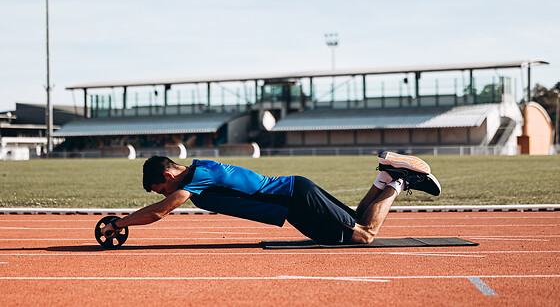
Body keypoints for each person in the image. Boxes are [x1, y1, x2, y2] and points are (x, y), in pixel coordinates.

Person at [101, 151, 441, 245]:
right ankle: (385, 172)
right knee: (355, 218)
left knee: (364, 235)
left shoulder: (198, 178)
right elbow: (162, 205)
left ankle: (396, 180)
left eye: (163, 188)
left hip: (296, 201)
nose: (167, 194)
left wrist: (119, 223)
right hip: (297, 192)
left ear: (167, 176)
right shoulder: (201, 170)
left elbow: (161, 212)